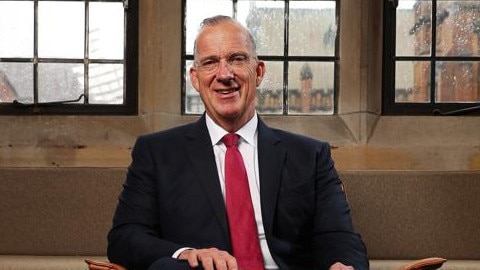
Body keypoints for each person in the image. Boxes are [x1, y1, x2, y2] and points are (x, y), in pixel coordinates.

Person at [107, 15, 368, 270]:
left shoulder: (311, 155)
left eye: (237, 59)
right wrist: (187, 254)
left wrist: (342, 264)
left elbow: (339, 237)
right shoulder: (156, 153)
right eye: (210, 62)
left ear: (259, 71)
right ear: (195, 79)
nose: (224, 74)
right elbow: (126, 237)